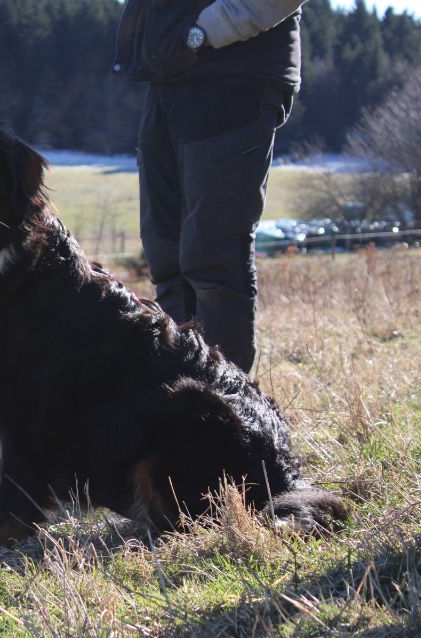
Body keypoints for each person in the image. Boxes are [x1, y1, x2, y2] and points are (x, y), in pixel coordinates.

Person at [114, 0, 306, 373]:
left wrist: (202, 33)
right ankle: (181, 404)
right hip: (168, 70)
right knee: (166, 256)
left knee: (212, 258)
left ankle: (227, 414)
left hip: (233, 71)